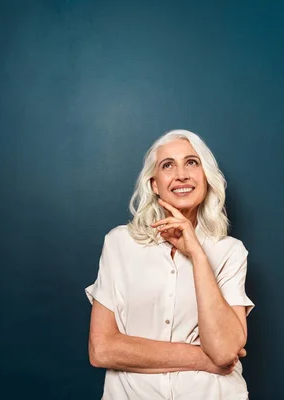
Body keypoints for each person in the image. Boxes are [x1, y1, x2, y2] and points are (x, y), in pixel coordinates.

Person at [85, 129, 254, 400]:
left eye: (191, 162)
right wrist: (203, 360)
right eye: (168, 166)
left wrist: (197, 255)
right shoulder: (119, 244)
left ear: (206, 177)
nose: (181, 175)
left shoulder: (230, 252)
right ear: (154, 184)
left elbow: (223, 351)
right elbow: (102, 349)